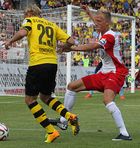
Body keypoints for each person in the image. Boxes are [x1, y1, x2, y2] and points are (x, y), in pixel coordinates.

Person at [51, 7, 132, 141]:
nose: (95, 23)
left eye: (99, 21)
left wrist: (72, 48)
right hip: (104, 73)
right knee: (71, 86)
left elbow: (93, 47)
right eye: (96, 20)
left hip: (116, 73)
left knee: (107, 100)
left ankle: (124, 133)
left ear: (107, 23)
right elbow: (96, 20)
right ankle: (64, 120)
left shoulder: (110, 36)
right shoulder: (102, 30)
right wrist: (88, 12)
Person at [4, 4, 79, 143]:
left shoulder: (30, 20)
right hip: (52, 64)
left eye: (25, 14)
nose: (24, 17)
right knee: (45, 97)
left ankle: (51, 131)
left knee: (30, 100)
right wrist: (64, 47)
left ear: (31, 12)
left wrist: (10, 41)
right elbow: (72, 41)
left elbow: (22, 32)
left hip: (37, 63)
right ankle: (70, 116)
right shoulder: (52, 25)